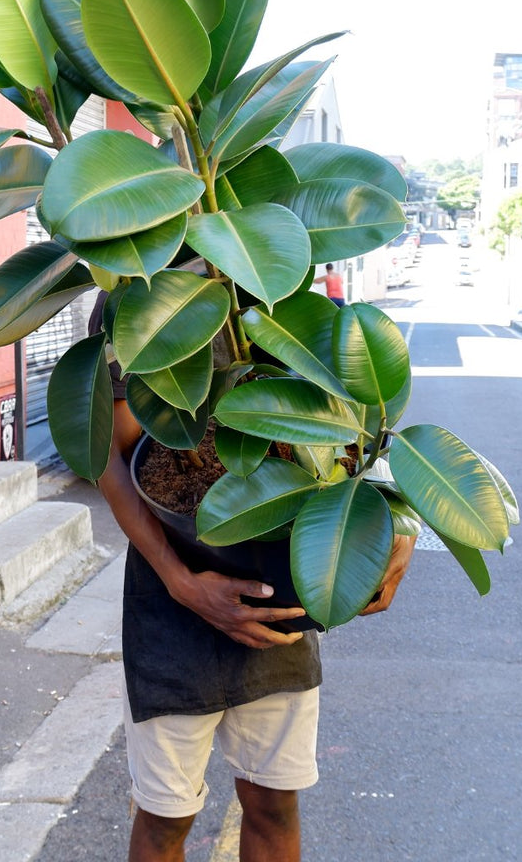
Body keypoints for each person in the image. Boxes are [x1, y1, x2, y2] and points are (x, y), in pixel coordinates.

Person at [92, 296, 415, 862]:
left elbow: (360, 422)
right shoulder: (134, 289)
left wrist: (399, 525)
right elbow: (111, 456)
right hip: (172, 610)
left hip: (280, 596)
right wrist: (180, 582)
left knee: (273, 802)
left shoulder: (285, 278)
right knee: (167, 815)